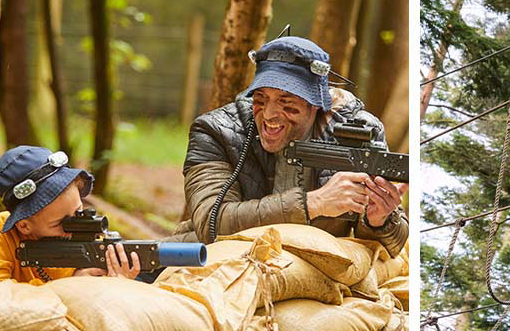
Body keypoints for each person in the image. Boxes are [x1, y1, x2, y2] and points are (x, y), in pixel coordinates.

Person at [169, 36, 409, 257]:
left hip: (313, 265)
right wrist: (312, 203)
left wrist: (377, 221)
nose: (270, 114)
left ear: (316, 105)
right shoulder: (215, 130)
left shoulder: (358, 133)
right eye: (261, 99)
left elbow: (391, 246)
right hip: (217, 256)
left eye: (287, 104)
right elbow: (210, 223)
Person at [0, 146, 141, 284]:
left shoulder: (92, 243)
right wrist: (70, 285)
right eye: (59, 223)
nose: (73, 227)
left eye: (79, 212)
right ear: (24, 225)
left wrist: (119, 284)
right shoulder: (0, 232)